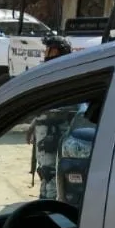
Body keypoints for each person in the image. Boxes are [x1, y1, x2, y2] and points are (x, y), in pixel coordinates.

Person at [28, 34, 76, 199]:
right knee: (44, 171)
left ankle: (50, 207)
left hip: (57, 130)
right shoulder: (46, 72)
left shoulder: (67, 74)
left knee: (52, 173)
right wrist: (34, 125)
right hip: (45, 129)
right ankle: (44, 203)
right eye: (47, 50)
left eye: (51, 50)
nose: (47, 53)